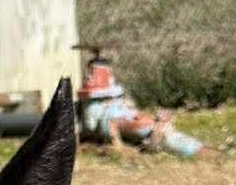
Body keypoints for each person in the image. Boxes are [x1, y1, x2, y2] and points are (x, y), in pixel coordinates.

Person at [77, 54, 208, 158]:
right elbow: (113, 122)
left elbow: (114, 122)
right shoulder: (134, 120)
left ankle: (200, 151)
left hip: (152, 131)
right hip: (148, 129)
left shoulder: (137, 121)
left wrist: (118, 146)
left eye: (91, 73)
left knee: (166, 136)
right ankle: (203, 151)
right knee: (156, 131)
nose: (89, 76)